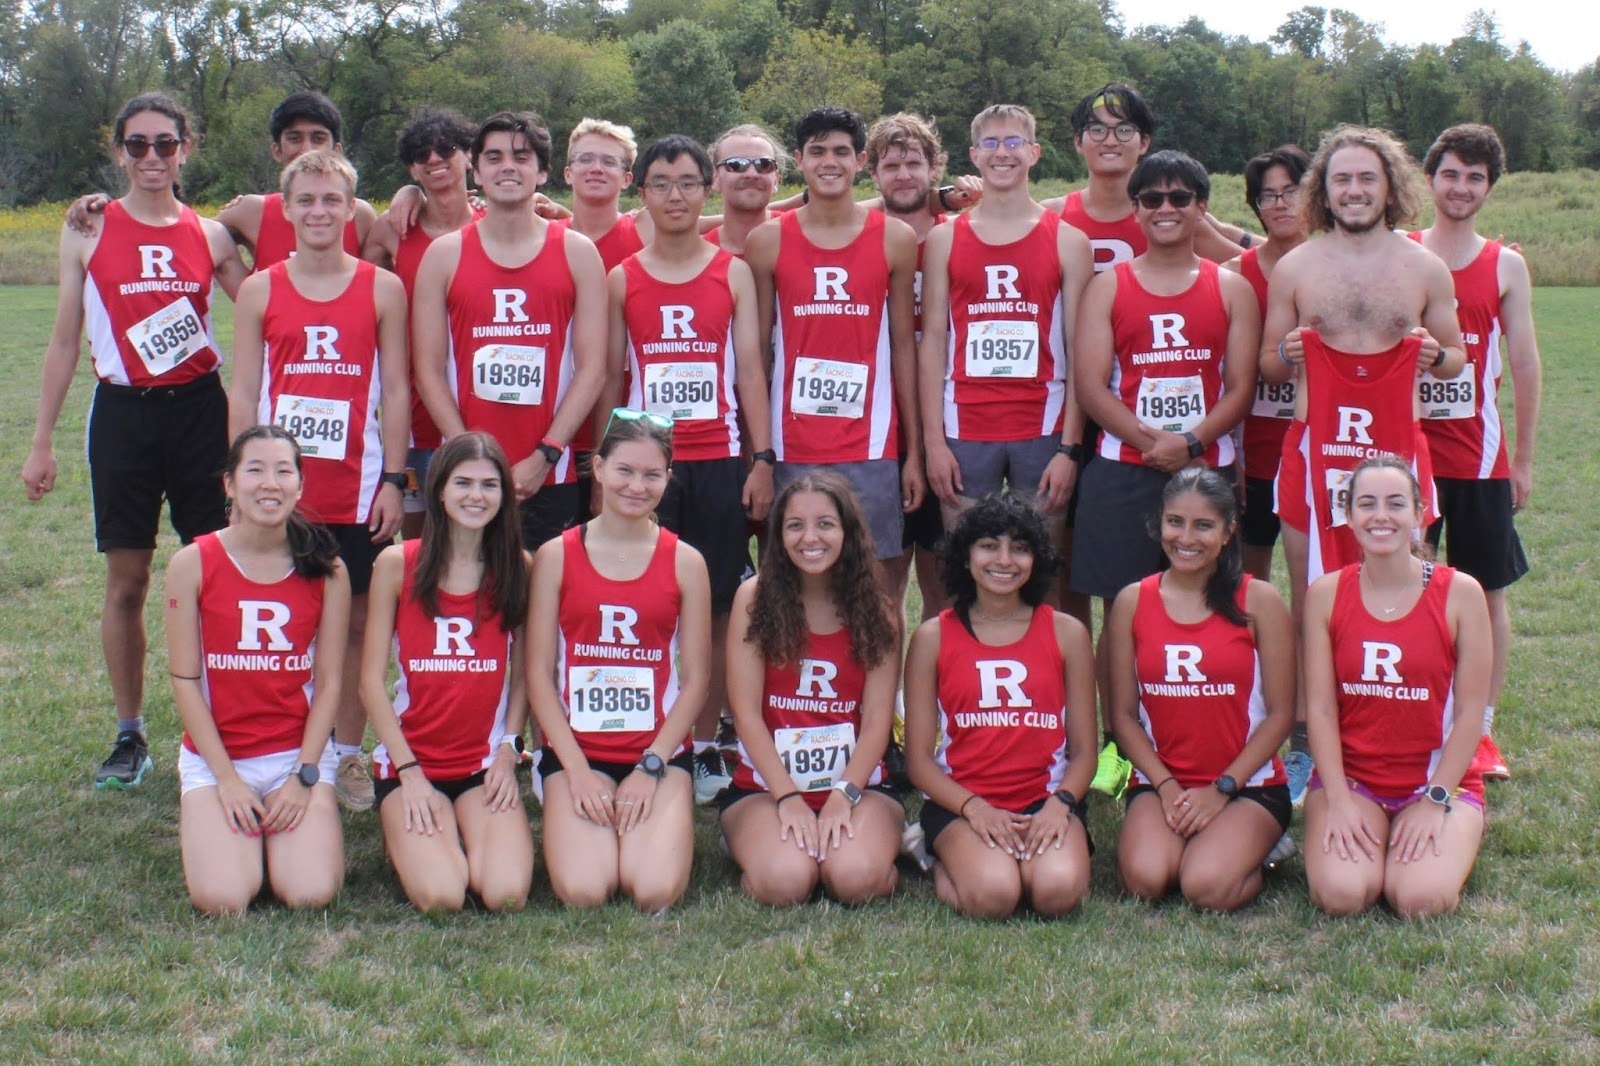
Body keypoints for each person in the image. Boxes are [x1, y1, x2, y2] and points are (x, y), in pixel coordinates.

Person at [21, 92, 248, 787]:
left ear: (187, 149)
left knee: (218, 572)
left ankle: (228, 722)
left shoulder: (210, 236)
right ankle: (129, 735)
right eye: (138, 144)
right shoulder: (88, 229)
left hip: (201, 415)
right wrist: (40, 443)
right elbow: (64, 341)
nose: (153, 156)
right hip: (124, 415)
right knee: (129, 580)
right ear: (119, 151)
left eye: (166, 144)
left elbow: (274, 300)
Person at [1259, 125, 1467, 802]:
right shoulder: (1296, 266)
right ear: (1325, 189)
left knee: (1405, 597)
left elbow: (1459, 356)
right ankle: (1301, 738)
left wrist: (1439, 357)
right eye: (1342, 179)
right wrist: (1287, 354)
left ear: (1389, 188)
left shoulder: (1424, 267)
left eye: (1366, 178)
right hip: (1313, 456)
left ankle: (1410, 734)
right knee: (1308, 600)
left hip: (1398, 462)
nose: (1353, 190)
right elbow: (1265, 363)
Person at [228, 149, 410, 812]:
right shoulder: (261, 288)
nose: (318, 212)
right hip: (282, 493)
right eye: (305, 200)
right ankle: (283, 751)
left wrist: (394, 479)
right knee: (290, 623)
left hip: (357, 489)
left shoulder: (381, 288)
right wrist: (242, 482)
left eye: (331, 200)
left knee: (360, 623)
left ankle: (348, 754)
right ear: (286, 208)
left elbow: (396, 388)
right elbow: (245, 390)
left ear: (351, 209)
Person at [610, 133, 772, 802]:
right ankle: (644, 736)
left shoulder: (731, 270)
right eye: (660, 184)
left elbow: (750, 371)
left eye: (686, 183)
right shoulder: (624, 276)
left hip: (720, 461)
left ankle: (706, 745)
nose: (674, 196)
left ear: (705, 190)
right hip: (650, 469)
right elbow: (612, 378)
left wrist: (761, 458)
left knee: (718, 610)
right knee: (645, 605)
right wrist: (609, 465)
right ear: (640, 193)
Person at [526, 410, 711, 911]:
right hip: (576, 753)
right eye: (625, 470)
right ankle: (575, 798)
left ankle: (655, 799)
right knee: (585, 891)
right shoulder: (556, 555)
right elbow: (539, 677)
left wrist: (652, 765)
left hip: (656, 752)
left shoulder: (686, 561)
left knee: (652, 891)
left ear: (668, 479)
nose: (637, 485)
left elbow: (695, 681)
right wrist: (577, 770)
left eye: (652, 474)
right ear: (598, 468)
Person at [165, 426, 349, 915]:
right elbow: (185, 680)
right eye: (255, 470)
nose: (271, 483)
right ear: (229, 484)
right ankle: (230, 832)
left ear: (300, 485)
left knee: (310, 894)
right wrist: (226, 779)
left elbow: (331, 681)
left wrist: (304, 775)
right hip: (219, 758)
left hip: (295, 755)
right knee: (223, 899)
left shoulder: (326, 566)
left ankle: (287, 839)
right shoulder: (192, 563)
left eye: (283, 471)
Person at [1071, 151, 1257, 628]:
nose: (1165, 208)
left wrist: (1190, 443)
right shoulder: (1107, 287)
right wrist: (1154, 445)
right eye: (1152, 198)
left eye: (1180, 197)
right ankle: (1119, 707)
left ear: (1202, 207)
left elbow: (1240, 387)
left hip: (1205, 466)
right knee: (1123, 613)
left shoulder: (1233, 288)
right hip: (1124, 469)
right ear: (1136, 209)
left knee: (1210, 608)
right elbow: (1092, 388)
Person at [1302, 455, 1490, 917]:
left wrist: (1434, 801)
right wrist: (1340, 802)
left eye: (1395, 503)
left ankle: (1434, 834)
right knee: (1342, 895)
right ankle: (1371, 835)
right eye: (1366, 504)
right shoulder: (1325, 593)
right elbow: (1321, 711)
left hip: (1436, 782)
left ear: (1419, 514)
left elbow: (1470, 714)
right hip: (1353, 781)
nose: (1380, 516)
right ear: (1349, 516)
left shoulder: (1461, 592)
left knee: (1420, 900)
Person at [411, 110, 608, 552]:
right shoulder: (444, 256)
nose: (507, 166)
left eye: (521, 157)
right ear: (475, 171)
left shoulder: (578, 252)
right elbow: (427, 370)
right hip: (467, 475)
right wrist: (470, 457)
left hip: (547, 471)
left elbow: (593, 368)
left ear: (541, 172)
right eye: (494, 156)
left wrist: (546, 455)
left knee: (545, 606)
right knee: (468, 602)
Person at [1413, 124, 1542, 781]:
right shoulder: (1402, 252)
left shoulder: (1505, 264)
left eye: (1475, 178)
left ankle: (1482, 732)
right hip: (1404, 459)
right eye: (1452, 173)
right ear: (1430, 177)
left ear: (1488, 188)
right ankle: (1414, 719)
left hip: (1478, 460)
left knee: (1486, 592)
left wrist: (1522, 459)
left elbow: (1524, 364)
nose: (1461, 187)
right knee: (1406, 587)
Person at [360, 432, 534, 912]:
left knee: (505, 894)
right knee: (442, 897)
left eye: (489, 485)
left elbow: (522, 675)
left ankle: (460, 828)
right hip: (412, 763)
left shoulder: (517, 566)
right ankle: (412, 831)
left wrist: (507, 749)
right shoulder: (398, 565)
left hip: (481, 767)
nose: (476, 496)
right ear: (439, 489)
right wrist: (409, 773)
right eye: (463, 483)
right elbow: (370, 682)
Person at [1107, 468, 1294, 911]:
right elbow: (1122, 717)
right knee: (1145, 880)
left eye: (1203, 525)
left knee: (1204, 887)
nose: (1185, 538)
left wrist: (1223, 788)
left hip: (1246, 784)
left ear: (1229, 532)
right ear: (1160, 523)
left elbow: (1282, 714)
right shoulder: (1133, 601)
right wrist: (1166, 786)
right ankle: (1204, 844)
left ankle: (1260, 848)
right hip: (1161, 782)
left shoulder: (1260, 601)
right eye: (1175, 522)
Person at [903, 494, 1096, 919]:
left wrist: (1060, 806)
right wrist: (974, 809)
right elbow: (917, 760)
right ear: (966, 555)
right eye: (989, 545)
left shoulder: (1067, 633)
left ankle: (1039, 853)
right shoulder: (934, 637)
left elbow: (1085, 752)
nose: (1004, 560)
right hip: (965, 801)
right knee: (995, 896)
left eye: (1020, 548)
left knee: (1056, 893)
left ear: (1036, 559)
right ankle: (935, 851)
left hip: (1043, 799)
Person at [747, 106, 924, 564]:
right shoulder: (767, 241)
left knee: (875, 584)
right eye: (818, 151)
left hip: (871, 444)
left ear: (861, 160)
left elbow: (904, 347)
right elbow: (757, 355)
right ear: (799, 161)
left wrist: (914, 453)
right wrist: (760, 452)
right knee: (793, 584)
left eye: (842, 151)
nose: (830, 161)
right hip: (792, 444)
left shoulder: (896, 239)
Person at [719, 472, 903, 905]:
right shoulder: (754, 598)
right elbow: (744, 714)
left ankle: (875, 853)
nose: (810, 537)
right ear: (778, 534)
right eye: (795, 525)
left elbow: (878, 719)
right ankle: (761, 846)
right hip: (764, 787)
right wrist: (787, 796)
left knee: (855, 880)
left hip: (860, 787)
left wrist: (844, 795)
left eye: (825, 523)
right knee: (786, 883)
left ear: (847, 532)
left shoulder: (879, 610)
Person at [919, 104, 1094, 537]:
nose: (1003, 153)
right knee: (963, 565)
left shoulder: (1069, 241)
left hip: (1043, 423)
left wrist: (1070, 449)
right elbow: (933, 345)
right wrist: (933, 443)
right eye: (991, 143)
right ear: (974, 155)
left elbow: (1080, 351)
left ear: (1034, 153)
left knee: (1040, 568)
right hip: (963, 423)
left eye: (1014, 142)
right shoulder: (944, 239)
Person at [63, 91, 377, 267]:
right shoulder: (251, 212)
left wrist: (410, 194)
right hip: (272, 372)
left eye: (317, 138)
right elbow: (177, 230)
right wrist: (106, 204)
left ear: (337, 150)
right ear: (276, 149)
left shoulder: (360, 215)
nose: (306, 149)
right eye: (294, 138)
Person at [363, 108, 483, 540]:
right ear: (411, 167)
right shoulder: (393, 230)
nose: (434, 158)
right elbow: (354, 295)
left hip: (484, 404)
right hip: (416, 412)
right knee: (422, 539)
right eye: (420, 153)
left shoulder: (501, 222)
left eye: (446, 147)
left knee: (486, 536)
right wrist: (406, 194)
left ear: (469, 155)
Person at [867, 112, 957, 627]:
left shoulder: (961, 233)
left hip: (950, 416)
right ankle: (894, 701)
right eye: (891, 164)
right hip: (886, 419)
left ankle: (938, 700)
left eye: (914, 163)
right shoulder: (864, 233)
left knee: (944, 575)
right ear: (874, 173)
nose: (904, 174)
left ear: (934, 168)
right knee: (887, 576)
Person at [1222, 145, 1311, 581]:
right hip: (1253, 449)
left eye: (1290, 191)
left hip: (1322, 447)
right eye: (1267, 195)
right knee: (1248, 578)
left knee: (1319, 579)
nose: (1279, 204)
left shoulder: (1339, 266)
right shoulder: (1235, 273)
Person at [704, 125, 788, 257]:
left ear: (776, 180)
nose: (752, 174)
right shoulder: (698, 257)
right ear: (715, 178)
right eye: (736, 164)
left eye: (764, 164)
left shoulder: (804, 233)